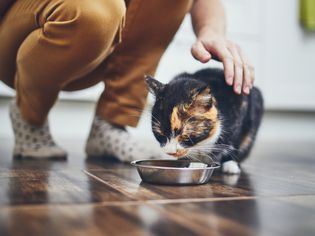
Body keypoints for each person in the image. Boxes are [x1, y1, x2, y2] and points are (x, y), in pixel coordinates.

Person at [0, 0, 254, 160]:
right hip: (21, 36)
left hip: (102, 45)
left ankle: (111, 124)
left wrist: (211, 32)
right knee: (99, 9)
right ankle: (29, 118)